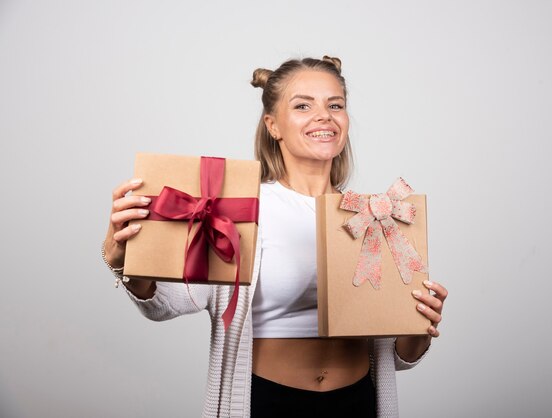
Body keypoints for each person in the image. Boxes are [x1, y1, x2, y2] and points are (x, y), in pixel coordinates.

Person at [102, 56, 448, 418]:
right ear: (273, 125)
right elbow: (166, 303)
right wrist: (123, 258)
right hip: (268, 403)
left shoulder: (376, 216)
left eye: (335, 105)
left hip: (356, 402)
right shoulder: (240, 209)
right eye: (302, 105)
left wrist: (420, 324)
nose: (324, 116)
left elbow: (398, 356)